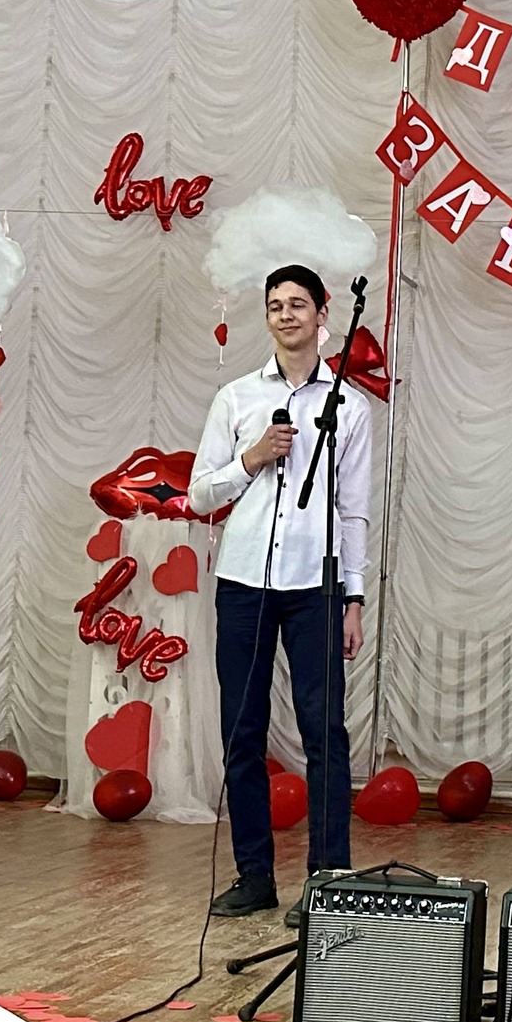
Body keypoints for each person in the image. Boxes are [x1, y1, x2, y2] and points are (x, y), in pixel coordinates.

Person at [191, 264, 370, 923]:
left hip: (315, 584)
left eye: (298, 303)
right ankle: (254, 874)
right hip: (243, 581)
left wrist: (353, 598)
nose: (286, 314)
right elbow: (198, 493)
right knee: (242, 731)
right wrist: (252, 458)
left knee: (325, 731)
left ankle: (327, 878)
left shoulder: (351, 407)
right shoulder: (236, 397)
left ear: (323, 314)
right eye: (275, 305)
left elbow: (354, 511)